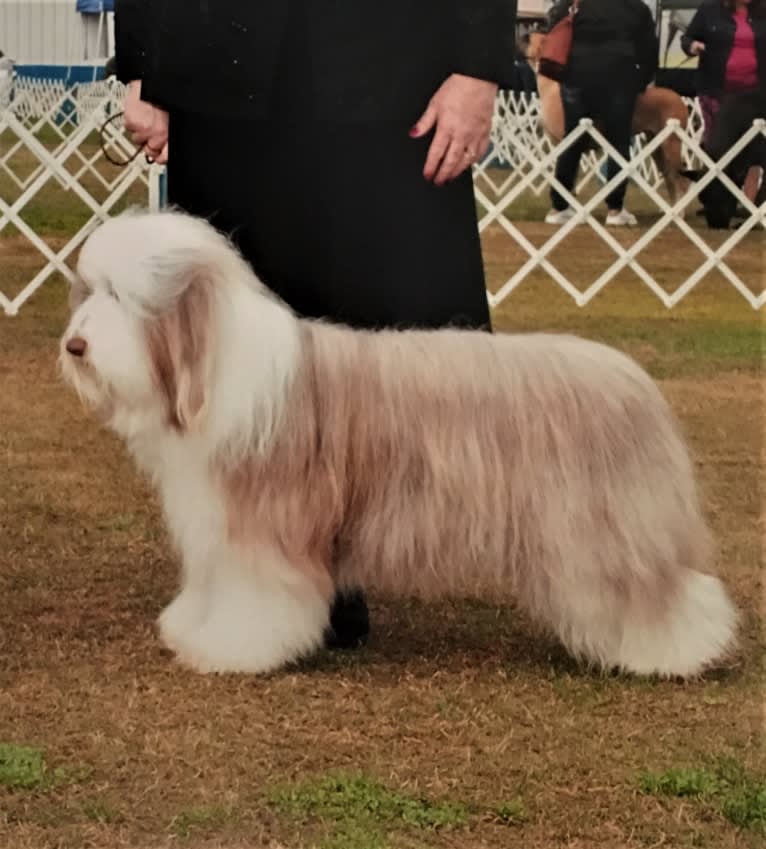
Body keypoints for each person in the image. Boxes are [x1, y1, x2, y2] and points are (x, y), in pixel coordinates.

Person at [113, 1, 518, 651]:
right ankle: (256, 574)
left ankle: (390, 546)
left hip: (385, 78)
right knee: (237, 358)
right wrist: (141, 67)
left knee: (404, 342)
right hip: (223, 74)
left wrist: (478, 70)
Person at [544, 0, 659, 228]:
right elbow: (649, 50)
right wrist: (641, 81)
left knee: (572, 139)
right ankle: (615, 209)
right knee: (618, 142)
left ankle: (560, 206)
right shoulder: (636, 7)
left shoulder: (574, 3)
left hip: (577, 75)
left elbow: (554, 25)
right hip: (618, 76)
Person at [682, 0, 765, 203]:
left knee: (754, 147)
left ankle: (748, 203)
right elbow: (688, 37)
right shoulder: (709, 9)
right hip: (717, 90)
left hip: (755, 93)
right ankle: (718, 200)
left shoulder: (763, 11)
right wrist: (692, 46)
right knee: (718, 149)